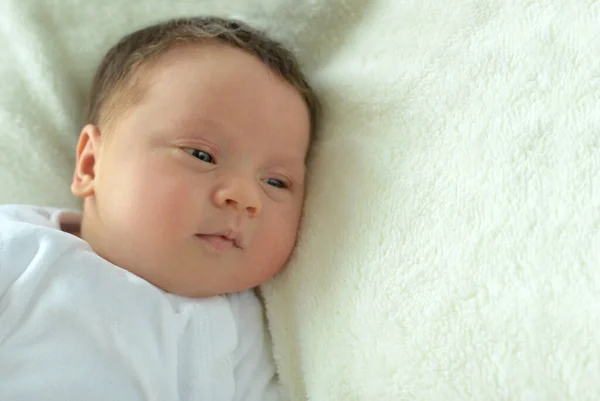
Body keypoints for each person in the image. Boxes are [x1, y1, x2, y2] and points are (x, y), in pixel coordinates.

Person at [0, 16, 318, 401]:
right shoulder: (21, 247)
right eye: (201, 154)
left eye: (276, 182)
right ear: (90, 165)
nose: (245, 197)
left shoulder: (243, 331)